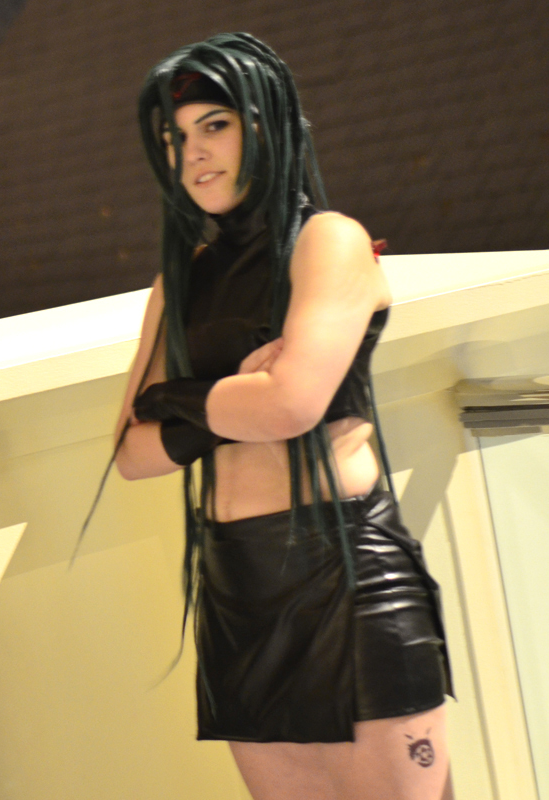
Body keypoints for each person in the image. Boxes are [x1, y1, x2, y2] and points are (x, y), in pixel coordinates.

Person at [113, 33, 452, 800]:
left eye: (213, 125)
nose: (192, 153)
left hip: (346, 578)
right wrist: (239, 394)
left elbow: (291, 404)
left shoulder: (327, 241)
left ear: (263, 125)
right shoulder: (180, 279)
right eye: (174, 138)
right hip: (236, 590)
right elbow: (132, 454)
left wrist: (179, 398)